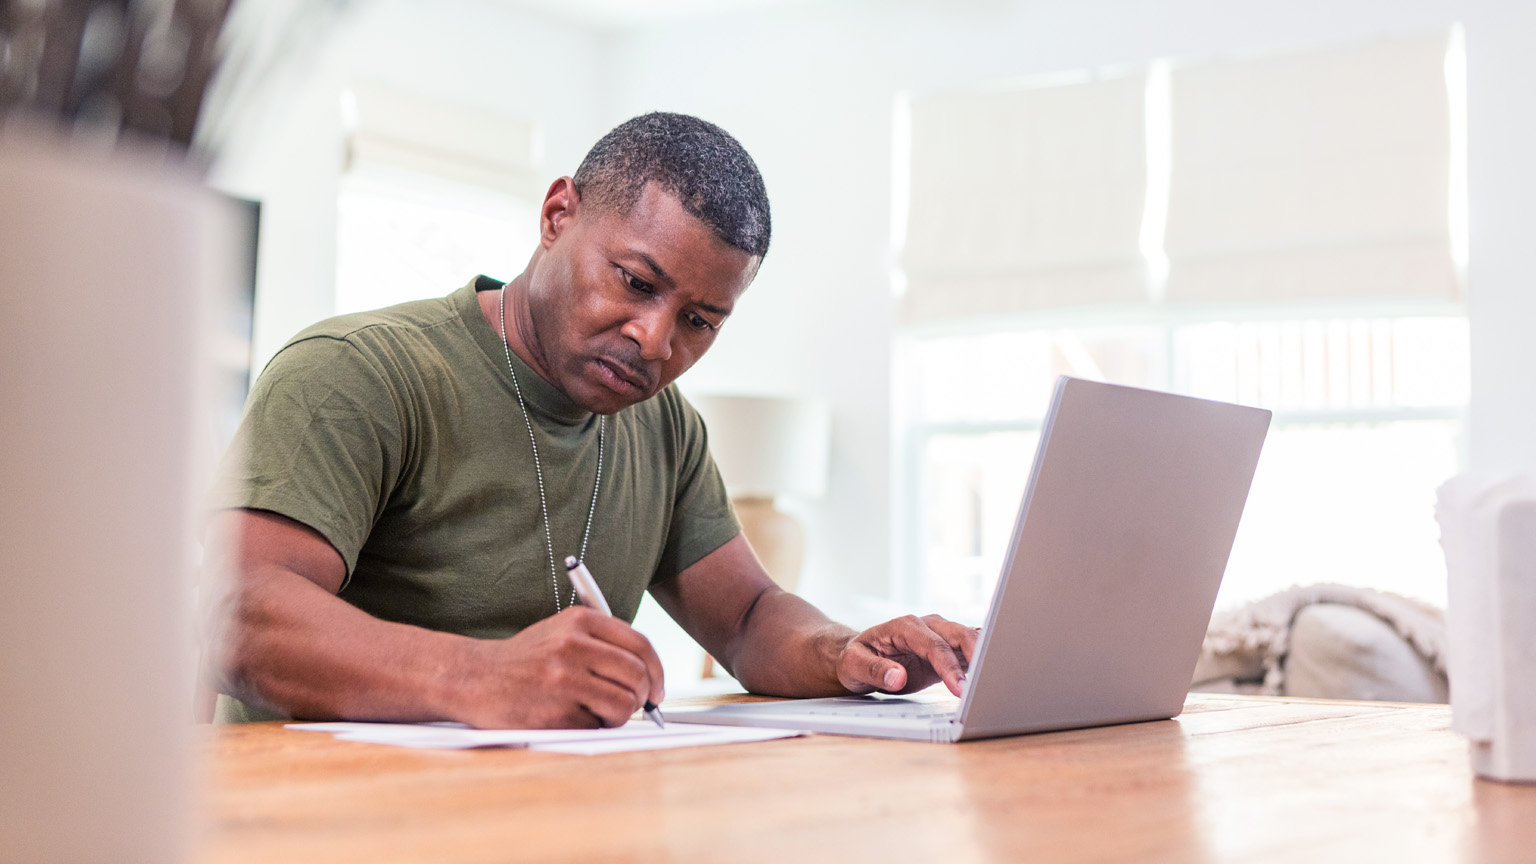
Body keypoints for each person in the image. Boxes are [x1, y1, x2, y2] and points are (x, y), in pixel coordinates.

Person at [204, 112, 976, 728]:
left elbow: (745, 618)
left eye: (701, 321)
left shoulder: (663, 425)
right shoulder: (358, 373)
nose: (655, 339)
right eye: (636, 281)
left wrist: (844, 651)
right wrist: (486, 676)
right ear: (556, 214)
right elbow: (239, 615)